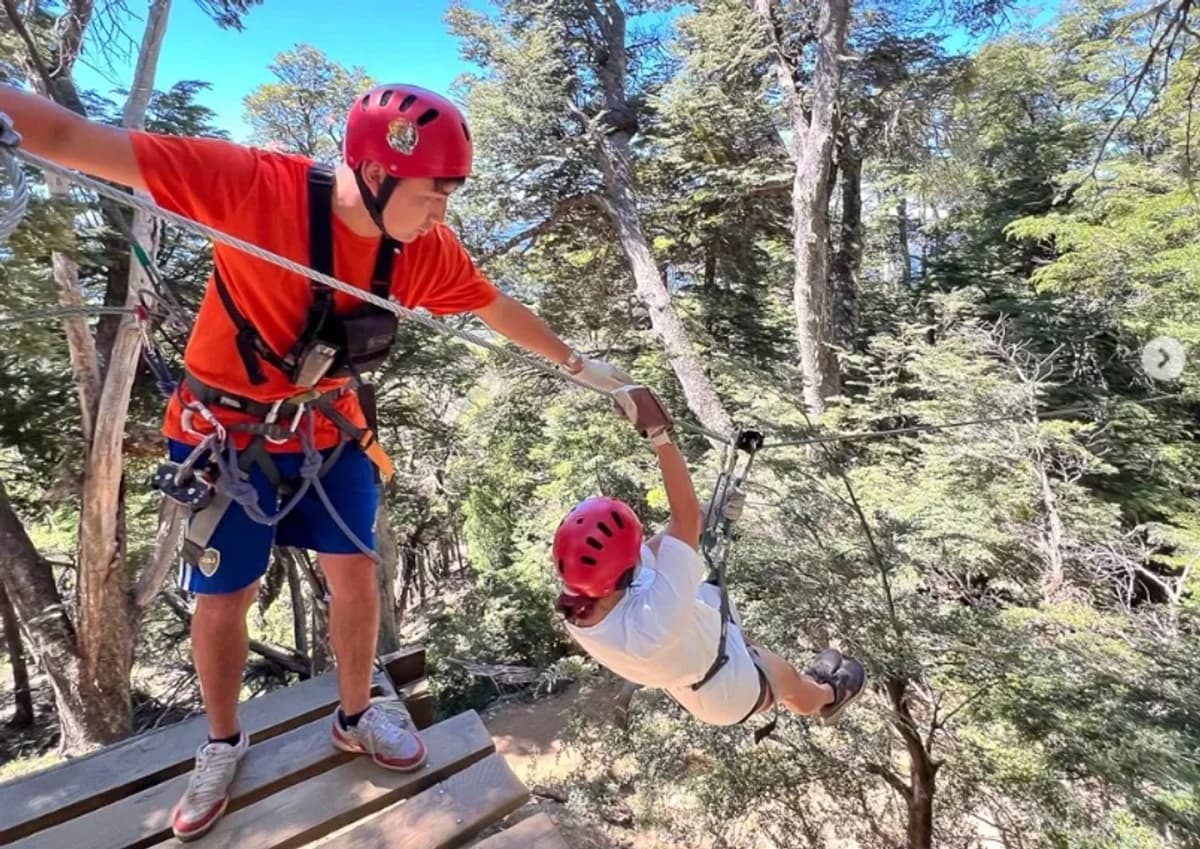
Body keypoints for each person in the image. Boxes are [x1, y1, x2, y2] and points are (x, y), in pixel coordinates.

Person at [0, 83, 632, 841]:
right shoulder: (253, 187)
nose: (443, 212)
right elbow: (74, 140)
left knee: (356, 571)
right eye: (435, 192)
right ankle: (222, 742)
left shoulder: (424, 251)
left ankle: (358, 713)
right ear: (374, 172)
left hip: (329, 428)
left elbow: (494, 308)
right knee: (226, 594)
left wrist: (580, 365)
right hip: (223, 434)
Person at [554, 386, 866, 730]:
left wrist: (711, 513)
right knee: (789, 681)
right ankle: (828, 697)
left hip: (697, 647)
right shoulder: (649, 624)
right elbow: (683, 521)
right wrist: (660, 436)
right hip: (726, 688)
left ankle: (800, 681)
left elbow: (671, 539)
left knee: (750, 648)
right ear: (624, 571)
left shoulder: (583, 599)